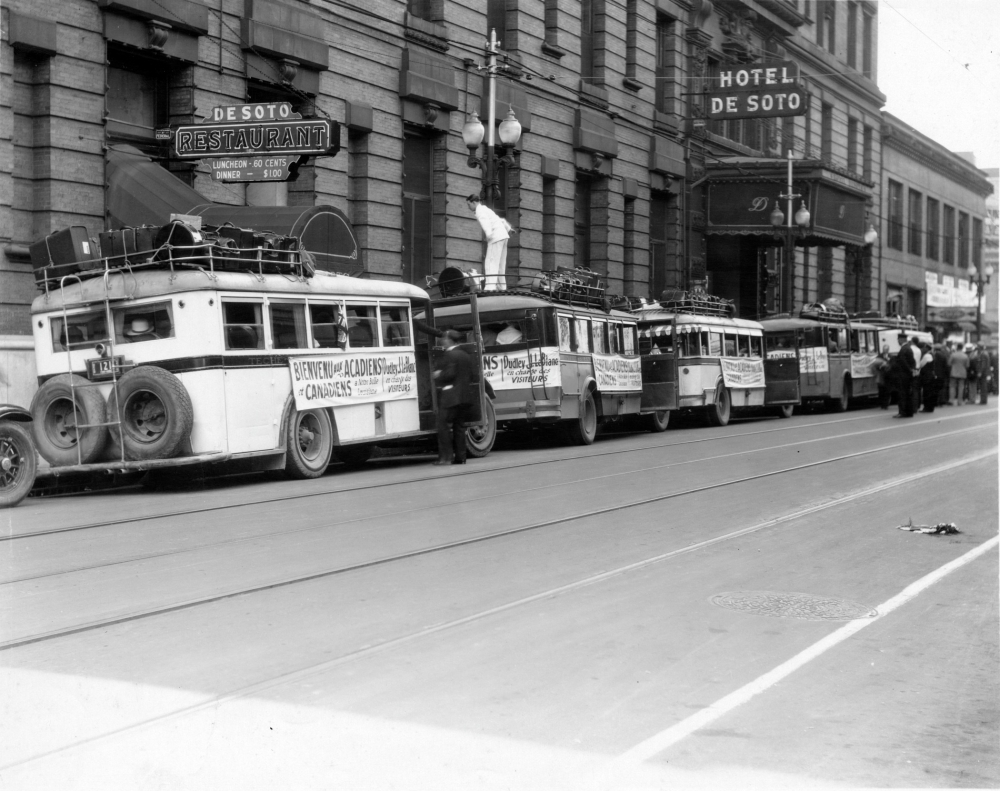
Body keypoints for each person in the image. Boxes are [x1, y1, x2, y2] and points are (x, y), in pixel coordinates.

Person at [433, 329, 475, 465]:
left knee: (443, 426)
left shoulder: (450, 355)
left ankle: (446, 457)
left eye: (444, 339)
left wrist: (438, 374)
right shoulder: (465, 355)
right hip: (465, 397)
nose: (442, 341)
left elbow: (449, 374)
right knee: (459, 427)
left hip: (451, 397)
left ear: (449, 340)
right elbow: (473, 376)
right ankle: (460, 457)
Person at [467, 194, 513, 291]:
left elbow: (485, 223)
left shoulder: (480, 211)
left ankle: (490, 286)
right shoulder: (486, 209)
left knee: (491, 262)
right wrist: (508, 228)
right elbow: (499, 219)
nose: (469, 207)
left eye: (469, 204)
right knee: (500, 263)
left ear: (474, 202)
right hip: (504, 236)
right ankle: (501, 286)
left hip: (495, 237)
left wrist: (489, 235)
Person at [892, 333, 919, 418]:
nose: (898, 341)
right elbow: (913, 361)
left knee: (902, 394)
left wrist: (909, 370)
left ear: (901, 339)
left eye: (898, 340)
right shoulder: (908, 348)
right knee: (908, 393)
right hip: (907, 375)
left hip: (903, 375)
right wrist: (912, 370)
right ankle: (909, 412)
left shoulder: (904, 349)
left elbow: (903, 362)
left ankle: (902, 412)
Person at [918, 342, 937, 413]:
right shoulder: (932, 355)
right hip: (930, 376)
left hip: (927, 377)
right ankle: (930, 407)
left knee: (926, 393)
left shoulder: (927, 356)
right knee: (930, 392)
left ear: (926, 348)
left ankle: (927, 407)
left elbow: (921, 364)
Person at [933, 342, 951, 407]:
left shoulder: (934, 355)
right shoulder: (943, 355)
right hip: (942, 374)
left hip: (935, 374)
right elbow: (946, 366)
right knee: (941, 388)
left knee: (935, 389)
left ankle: (936, 402)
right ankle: (941, 401)